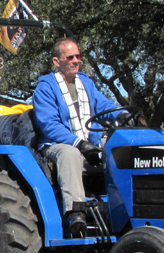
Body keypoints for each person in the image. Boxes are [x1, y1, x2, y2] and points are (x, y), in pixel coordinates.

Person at [32, 38, 121, 236]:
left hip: (89, 142)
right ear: (57, 61)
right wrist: (80, 143)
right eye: (70, 57)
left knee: (118, 148)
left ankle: (121, 207)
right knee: (70, 154)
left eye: (78, 56)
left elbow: (103, 105)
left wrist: (119, 113)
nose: (75, 61)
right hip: (57, 145)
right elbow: (50, 126)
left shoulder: (85, 83)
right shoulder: (45, 88)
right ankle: (76, 213)